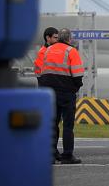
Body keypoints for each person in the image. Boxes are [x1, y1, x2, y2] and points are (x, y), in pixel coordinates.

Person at [39, 28, 84, 165]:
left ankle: (51, 155)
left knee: (53, 124)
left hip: (50, 92)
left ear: (59, 38)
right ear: (69, 39)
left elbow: (42, 71)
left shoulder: (48, 50)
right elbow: (77, 74)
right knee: (68, 125)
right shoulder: (71, 51)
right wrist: (75, 87)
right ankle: (67, 155)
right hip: (66, 92)